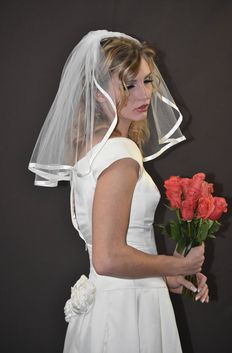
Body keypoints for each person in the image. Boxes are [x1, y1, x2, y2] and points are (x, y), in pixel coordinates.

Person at [29, 30, 208, 353]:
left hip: (117, 302)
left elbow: (109, 252)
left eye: (148, 81)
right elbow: (108, 258)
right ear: (98, 92)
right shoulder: (121, 153)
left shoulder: (91, 148)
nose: (144, 95)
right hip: (128, 313)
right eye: (129, 85)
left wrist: (162, 278)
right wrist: (175, 265)